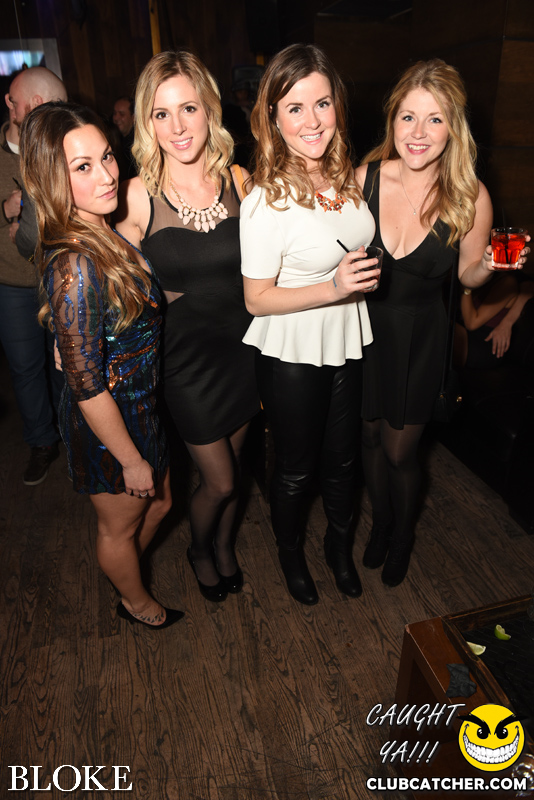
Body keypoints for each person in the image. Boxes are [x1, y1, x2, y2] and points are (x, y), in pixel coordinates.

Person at [354, 59, 530, 587]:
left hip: (421, 338)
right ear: (393, 120)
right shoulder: (364, 178)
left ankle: (402, 534)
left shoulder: (470, 196)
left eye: (434, 119)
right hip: (364, 331)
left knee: (399, 451)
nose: (418, 132)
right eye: (408, 117)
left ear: (453, 127)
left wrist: (494, 264)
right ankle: (380, 524)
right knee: (367, 440)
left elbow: (469, 276)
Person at [20, 101, 183, 629]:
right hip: (110, 422)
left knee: (161, 503)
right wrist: (129, 459)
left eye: (107, 156)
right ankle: (136, 602)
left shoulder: (103, 230)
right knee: (120, 527)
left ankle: (127, 566)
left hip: (139, 403)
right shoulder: (77, 262)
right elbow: (88, 388)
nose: (107, 175)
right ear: (53, 180)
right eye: (83, 167)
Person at [240, 43, 380, 606]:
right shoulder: (264, 200)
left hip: (346, 336)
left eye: (322, 103)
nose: (312, 120)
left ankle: (338, 548)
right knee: (297, 469)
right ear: (273, 117)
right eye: (294, 108)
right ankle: (290, 553)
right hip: (292, 348)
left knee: (344, 461)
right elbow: (255, 300)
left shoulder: (346, 177)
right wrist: (335, 288)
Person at [116, 51, 259, 602]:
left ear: (210, 111)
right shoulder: (136, 195)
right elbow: (100, 271)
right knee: (218, 480)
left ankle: (223, 545)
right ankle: (200, 549)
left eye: (189, 109)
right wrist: (67, 331)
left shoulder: (240, 180)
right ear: (147, 123)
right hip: (185, 365)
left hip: (243, 352)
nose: (177, 126)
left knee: (235, 471)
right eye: (161, 113)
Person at [1, 67, 67, 485]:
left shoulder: (60, 144)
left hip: (59, 279)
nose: (8, 105)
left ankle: (70, 433)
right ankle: (42, 442)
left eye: (14, 99)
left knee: (66, 366)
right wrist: (4, 210)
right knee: (26, 370)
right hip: (11, 285)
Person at [456, 274, 534, 369]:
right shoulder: (484, 278)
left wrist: (466, 287)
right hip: (468, 333)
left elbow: (471, 324)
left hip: (484, 342)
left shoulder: (508, 282)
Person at [112, 96, 136, 180]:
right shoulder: (115, 138)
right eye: (114, 113)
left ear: (133, 118)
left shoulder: (137, 144)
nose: (116, 118)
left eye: (122, 114)